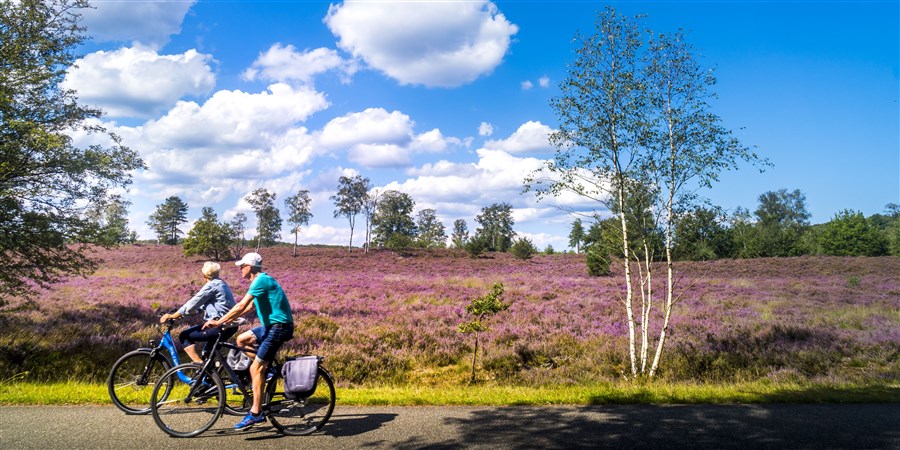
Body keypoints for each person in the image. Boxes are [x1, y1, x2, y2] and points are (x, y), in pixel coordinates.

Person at [204, 252, 294, 430]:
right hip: (271, 326)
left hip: (279, 327)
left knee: (255, 368)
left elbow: (241, 305)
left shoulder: (261, 280)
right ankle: (267, 371)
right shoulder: (259, 282)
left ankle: (256, 413)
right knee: (242, 339)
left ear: (250, 267)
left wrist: (219, 321)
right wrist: (230, 321)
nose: (239, 269)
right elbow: (251, 307)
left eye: (242, 266)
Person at [159, 262, 237, 363]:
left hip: (220, 325)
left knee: (184, 336)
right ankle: (210, 375)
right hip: (230, 325)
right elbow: (202, 306)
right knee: (207, 353)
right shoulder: (221, 283)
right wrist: (184, 314)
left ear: (204, 275)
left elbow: (193, 303)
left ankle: (198, 365)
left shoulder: (211, 285)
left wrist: (173, 315)